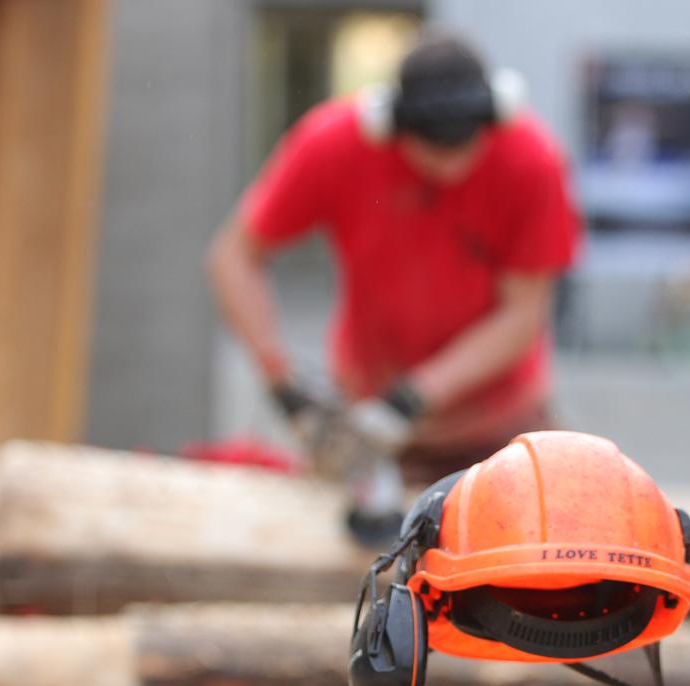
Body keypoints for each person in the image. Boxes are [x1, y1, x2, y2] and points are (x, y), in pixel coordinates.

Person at [207, 31, 580, 531]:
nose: (449, 163)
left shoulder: (532, 162)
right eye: (432, 147)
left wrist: (411, 398)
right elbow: (234, 257)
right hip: (371, 434)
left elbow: (521, 318)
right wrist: (285, 386)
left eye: (463, 144)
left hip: (499, 428)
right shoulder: (334, 144)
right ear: (392, 126)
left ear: (493, 117)